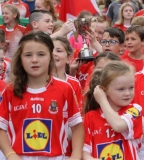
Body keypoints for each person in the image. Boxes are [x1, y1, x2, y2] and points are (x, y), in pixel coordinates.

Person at [0, 31, 84, 160]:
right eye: (28, 55)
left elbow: (77, 127)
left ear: (51, 56)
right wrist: (10, 154)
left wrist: (76, 156)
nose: (34, 60)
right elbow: (1, 128)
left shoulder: (65, 89)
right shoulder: (10, 91)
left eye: (41, 54)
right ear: (20, 58)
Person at [82, 61, 143, 159]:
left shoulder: (134, 110)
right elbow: (85, 150)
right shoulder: (90, 117)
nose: (127, 93)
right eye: (121, 89)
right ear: (104, 90)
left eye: (131, 87)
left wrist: (102, 101)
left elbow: (118, 126)